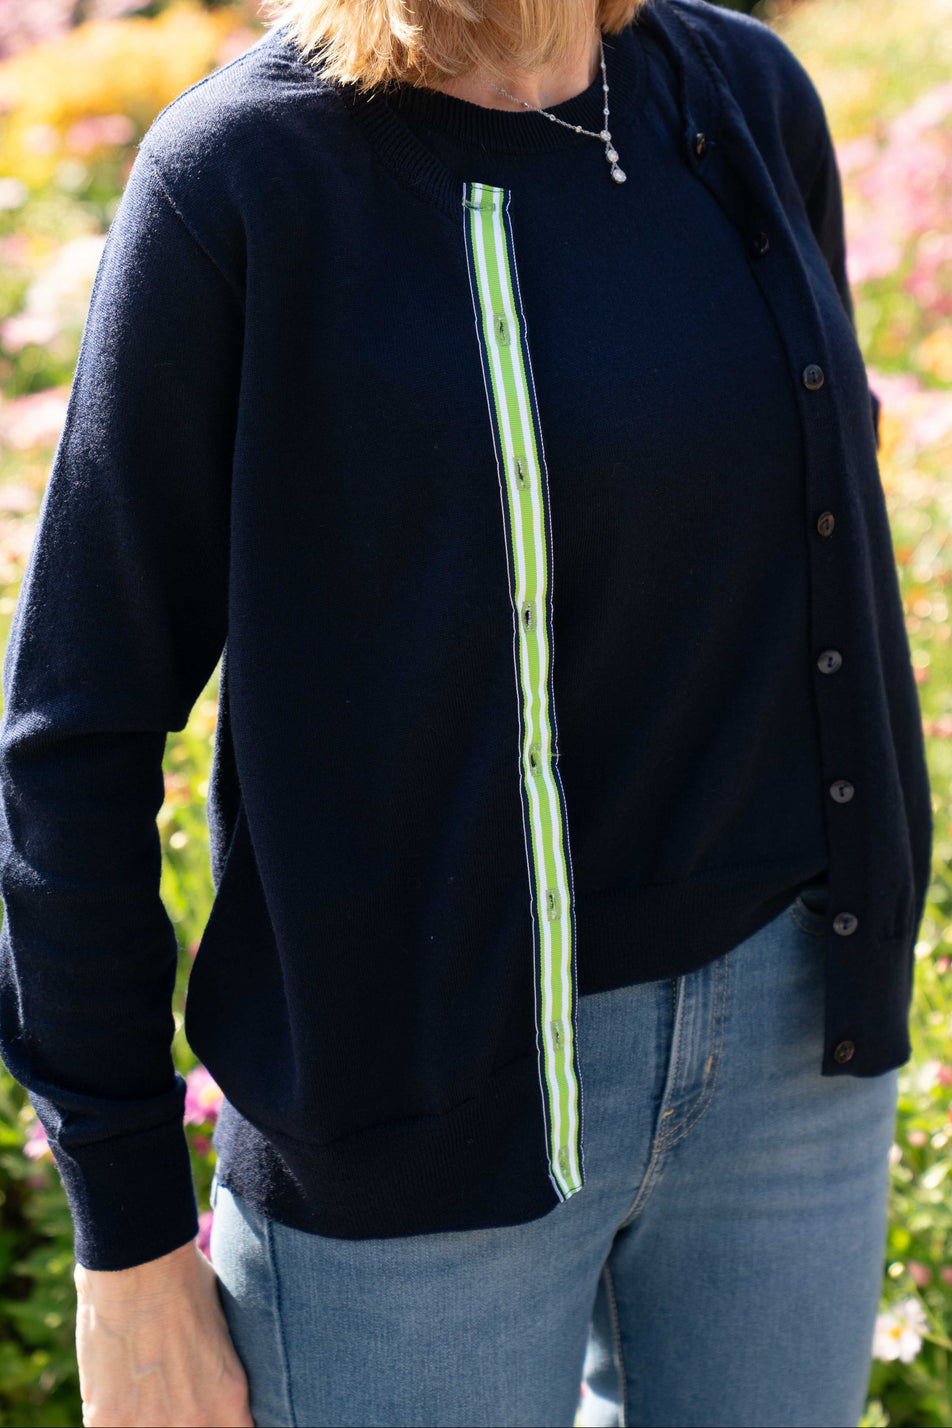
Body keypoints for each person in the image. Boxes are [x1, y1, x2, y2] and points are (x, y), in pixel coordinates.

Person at [0, 0, 934, 1421]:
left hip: (789, 1059)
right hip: (413, 1106)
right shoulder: (246, 178)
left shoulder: (745, 97)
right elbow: (80, 724)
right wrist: (129, 1241)